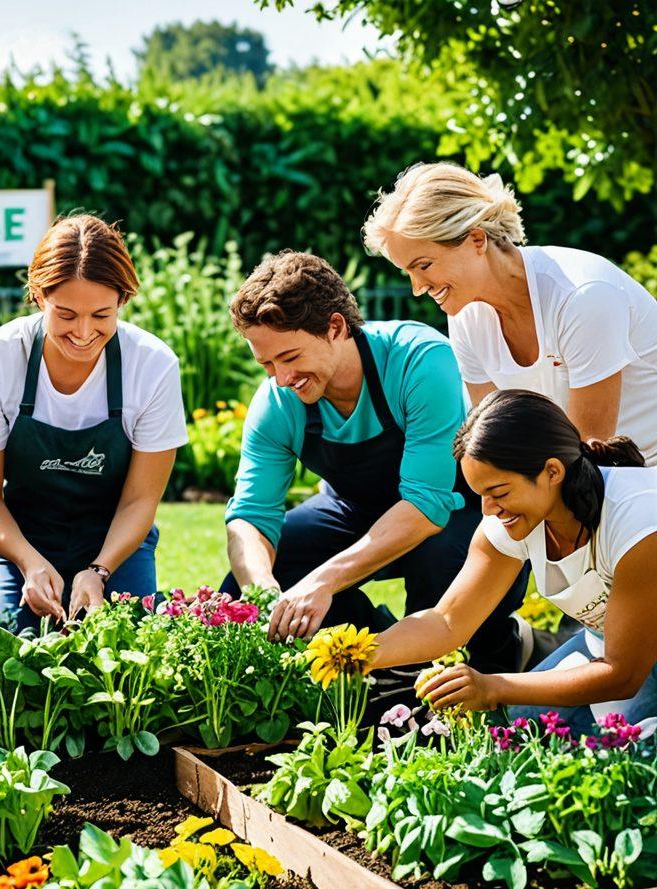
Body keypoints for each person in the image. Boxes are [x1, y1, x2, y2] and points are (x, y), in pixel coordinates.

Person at [224, 250, 528, 671]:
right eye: (267, 364)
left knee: (438, 556)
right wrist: (264, 590)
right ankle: (369, 654)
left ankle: (486, 660)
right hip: (354, 510)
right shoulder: (278, 401)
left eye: (290, 358)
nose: (281, 378)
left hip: (453, 511)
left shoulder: (420, 361)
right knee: (270, 566)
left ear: (335, 327)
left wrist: (322, 580)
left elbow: (426, 505)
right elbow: (251, 516)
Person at [0, 214, 187, 640]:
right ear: (39, 296)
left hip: (114, 539)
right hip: (16, 537)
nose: (84, 332)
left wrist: (99, 570)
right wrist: (29, 563)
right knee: (5, 653)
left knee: (127, 652)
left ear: (122, 302)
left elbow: (140, 502)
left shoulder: (152, 365)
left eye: (101, 314)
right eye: (67, 314)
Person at [373, 389, 657, 732]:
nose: (487, 510)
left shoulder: (639, 522)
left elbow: (621, 674)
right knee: (514, 733)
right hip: (610, 647)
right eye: (481, 495)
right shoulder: (518, 520)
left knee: (619, 752)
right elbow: (446, 622)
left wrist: (493, 687)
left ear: (552, 472)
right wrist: (359, 654)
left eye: (500, 492)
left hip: (630, 662)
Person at [363, 162, 657, 464]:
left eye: (423, 266)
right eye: (407, 273)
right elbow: (497, 445)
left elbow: (591, 458)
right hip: (569, 481)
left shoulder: (583, 297)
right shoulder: (464, 317)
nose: (417, 288)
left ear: (477, 240)